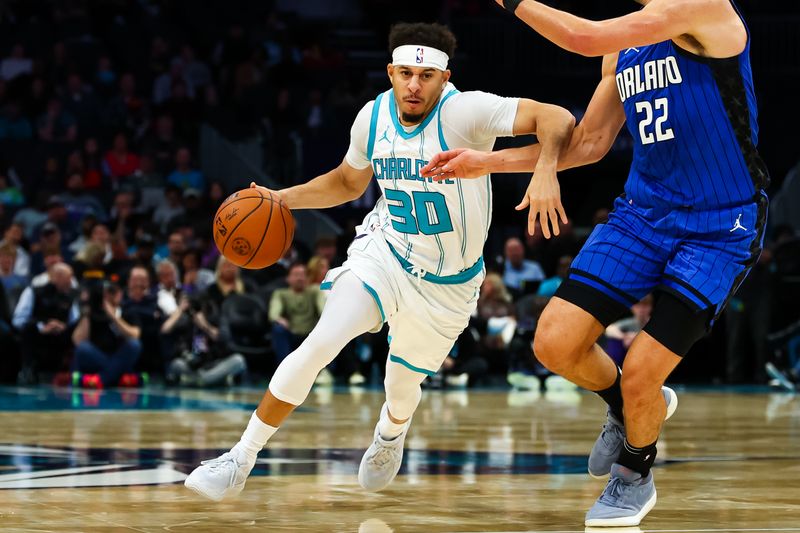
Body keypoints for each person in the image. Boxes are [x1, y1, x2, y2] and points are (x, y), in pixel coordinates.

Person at [184, 22, 574, 501]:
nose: (414, 85)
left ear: (444, 76)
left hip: (448, 284)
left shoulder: (466, 111)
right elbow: (349, 182)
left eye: (426, 75)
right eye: (406, 73)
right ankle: (239, 459)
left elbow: (557, 117)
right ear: (390, 71)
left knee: (401, 386)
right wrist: (280, 198)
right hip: (383, 252)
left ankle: (392, 432)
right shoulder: (372, 118)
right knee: (320, 342)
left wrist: (547, 169)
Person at [421, 0, 770, 526]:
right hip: (643, 216)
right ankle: (623, 407)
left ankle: (635, 473)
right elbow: (587, 144)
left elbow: (582, 37)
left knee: (641, 372)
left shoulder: (706, 9)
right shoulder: (622, 50)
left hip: (720, 226)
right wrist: (484, 164)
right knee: (553, 342)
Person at [268, 262, 325, 362]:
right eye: (296, 275)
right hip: (291, 332)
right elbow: (274, 312)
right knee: (278, 329)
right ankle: (284, 367)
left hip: (312, 333)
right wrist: (279, 319)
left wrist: (324, 318)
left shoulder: (315, 291)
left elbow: (323, 309)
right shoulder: (281, 294)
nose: (300, 278)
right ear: (288, 278)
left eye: (303, 275)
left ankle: (326, 370)